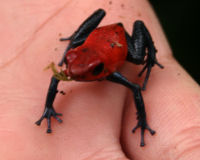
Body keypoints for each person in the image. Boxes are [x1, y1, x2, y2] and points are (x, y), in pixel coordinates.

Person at [0, 0, 200, 159]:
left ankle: (152, 57)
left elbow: (136, 89)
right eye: (70, 60)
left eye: (91, 71)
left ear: (100, 70)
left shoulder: (109, 72)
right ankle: (75, 43)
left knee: (138, 58)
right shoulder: (74, 68)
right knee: (75, 49)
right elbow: (56, 79)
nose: (71, 73)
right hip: (95, 42)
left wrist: (143, 121)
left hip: (118, 39)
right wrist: (48, 108)